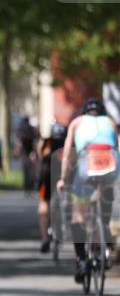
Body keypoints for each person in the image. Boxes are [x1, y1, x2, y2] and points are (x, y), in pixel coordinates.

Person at [56, 98, 119, 282]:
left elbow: (68, 154)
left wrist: (63, 178)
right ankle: (104, 236)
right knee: (106, 193)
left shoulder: (77, 123)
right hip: (111, 161)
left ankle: (81, 259)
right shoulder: (110, 122)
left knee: (78, 214)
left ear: (85, 112)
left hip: (87, 161)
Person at [37, 121, 69, 253]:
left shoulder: (47, 142)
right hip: (65, 177)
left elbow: (40, 155)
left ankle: (45, 238)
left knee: (44, 203)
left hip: (47, 176)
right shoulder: (68, 143)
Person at [15, 116, 38, 194]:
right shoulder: (32, 129)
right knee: (31, 169)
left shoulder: (20, 129)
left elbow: (18, 142)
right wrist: (35, 152)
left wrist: (17, 152)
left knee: (25, 170)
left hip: (23, 152)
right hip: (31, 151)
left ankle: (26, 187)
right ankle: (31, 186)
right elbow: (34, 142)